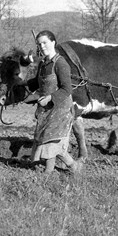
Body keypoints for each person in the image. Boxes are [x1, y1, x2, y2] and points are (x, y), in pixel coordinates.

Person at [26, 30, 82, 174]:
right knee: (46, 139)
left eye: (45, 42)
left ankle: (50, 172)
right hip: (46, 109)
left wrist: (50, 98)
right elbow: (38, 84)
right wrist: (21, 85)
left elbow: (67, 89)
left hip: (61, 108)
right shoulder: (43, 64)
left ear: (53, 42)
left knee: (51, 140)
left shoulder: (61, 63)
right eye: (39, 44)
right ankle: (72, 168)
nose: (42, 46)